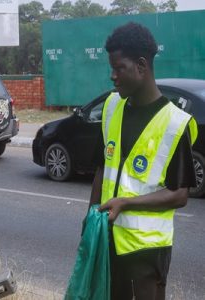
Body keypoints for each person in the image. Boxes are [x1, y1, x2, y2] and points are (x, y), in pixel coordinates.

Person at [89, 22, 197, 300]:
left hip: (146, 252)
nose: (112, 76)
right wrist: (89, 221)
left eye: (118, 68)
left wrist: (126, 203)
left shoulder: (175, 124)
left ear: (140, 65)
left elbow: (180, 194)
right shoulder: (112, 107)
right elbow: (103, 167)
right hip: (108, 241)